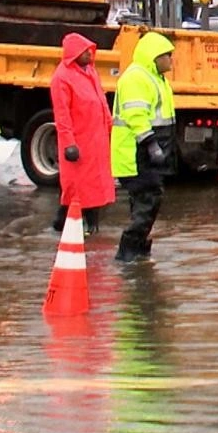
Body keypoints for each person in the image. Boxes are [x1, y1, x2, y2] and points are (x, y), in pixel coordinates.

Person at [110, 32, 178, 262]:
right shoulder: (137, 78)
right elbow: (135, 114)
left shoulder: (155, 79)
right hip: (135, 154)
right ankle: (129, 250)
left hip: (145, 154)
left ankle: (136, 251)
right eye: (167, 55)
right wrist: (150, 144)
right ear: (154, 56)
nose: (171, 60)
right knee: (149, 199)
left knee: (144, 201)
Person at [50, 32, 115, 235]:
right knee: (78, 187)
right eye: (84, 51)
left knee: (92, 186)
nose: (89, 54)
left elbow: (101, 102)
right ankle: (76, 223)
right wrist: (69, 143)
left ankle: (85, 224)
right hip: (80, 141)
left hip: (95, 139)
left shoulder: (90, 72)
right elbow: (62, 114)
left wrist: (108, 126)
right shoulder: (62, 78)